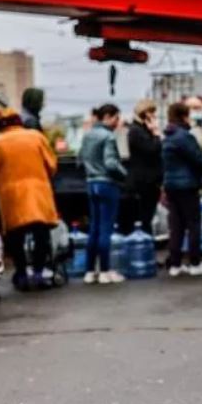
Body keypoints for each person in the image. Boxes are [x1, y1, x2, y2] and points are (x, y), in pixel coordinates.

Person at [0, 108, 59, 290]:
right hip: (38, 193)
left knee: (16, 238)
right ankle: (38, 273)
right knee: (41, 235)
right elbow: (52, 165)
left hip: (11, 196)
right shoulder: (36, 137)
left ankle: (21, 274)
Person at [162, 102, 202, 277]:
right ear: (184, 116)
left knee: (176, 226)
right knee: (193, 224)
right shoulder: (184, 137)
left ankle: (175, 264)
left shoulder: (168, 136)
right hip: (187, 186)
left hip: (171, 186)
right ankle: (195, 262)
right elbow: (199, 160)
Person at [78, 103, 127, 284]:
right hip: (107, 184)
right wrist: (124, 174)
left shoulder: (87, 135)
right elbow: (111, 164)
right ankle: (105, 270)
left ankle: (90, 271)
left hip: (91, 183)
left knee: (94, 228)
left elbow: (79, 160)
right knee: (106, 229)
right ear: (107, 117)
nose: (117, 122)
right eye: (116, 118)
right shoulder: (108, 137)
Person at [123, 99, 163, 236]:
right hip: (144, 182)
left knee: (147, 216)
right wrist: (156, 134)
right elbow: (152, 149)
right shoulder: (136, 131)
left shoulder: (142, 130)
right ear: (145, 113)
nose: (154, 116)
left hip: (148, 181)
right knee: (146, 217)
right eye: (152, 113)